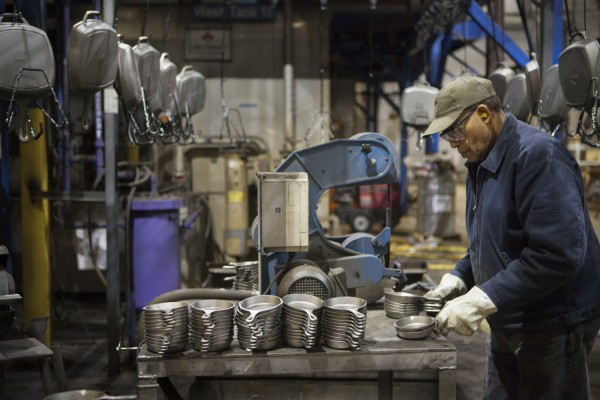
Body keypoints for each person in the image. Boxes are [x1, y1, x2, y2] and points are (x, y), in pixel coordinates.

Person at [421, 75, 600, 399]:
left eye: (455, 131)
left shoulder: (538, 158)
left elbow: (559, 254)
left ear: (484, 114)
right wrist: (460, 277)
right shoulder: (481, 161)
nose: (452, 142)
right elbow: (492, 237)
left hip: (551, 325)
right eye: (447, 134)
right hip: (509, 317)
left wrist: (482, 298)